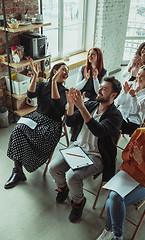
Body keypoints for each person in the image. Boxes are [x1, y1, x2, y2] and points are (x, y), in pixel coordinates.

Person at [49, 76, 123, 223]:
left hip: (96, 156)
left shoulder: (116, 116)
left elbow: (99, 130)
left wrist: (81, 106)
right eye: (100, 87)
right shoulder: (91, 104)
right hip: (78, 147)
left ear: (113, 95)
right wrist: (71, 105)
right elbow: (70, 122)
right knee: (53, 167)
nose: (99, 90)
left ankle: (78, 202)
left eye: (104, 88)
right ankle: (63, 188)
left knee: (72, 176)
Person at [4, 60, 69, 189]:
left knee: (38, 138)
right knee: (18, 130)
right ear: (55, 71)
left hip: (51, 124)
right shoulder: (43, 85)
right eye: (64, 69)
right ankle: (17, 170)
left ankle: (25, 165)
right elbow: (30, 94)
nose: (66, 72)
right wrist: (34, 76)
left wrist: (55, 83)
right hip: (36, 117)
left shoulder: (65, 92)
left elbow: (58, 107)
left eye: (67, 70)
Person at [117, 65, 145, 135]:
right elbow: (119, 102)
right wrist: (125, 93)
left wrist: (133, 96)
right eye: (138, 74)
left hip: (133, 121)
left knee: (112, 124)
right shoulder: (130, 84)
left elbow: (134, 111)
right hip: (120, 114)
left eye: (142, 76)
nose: (139, 77)